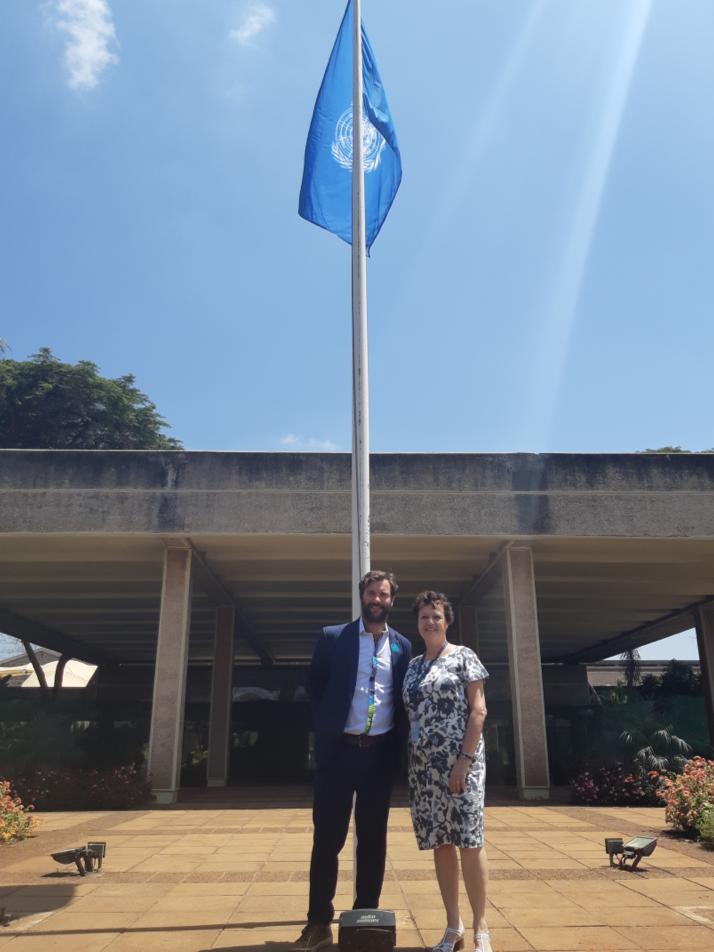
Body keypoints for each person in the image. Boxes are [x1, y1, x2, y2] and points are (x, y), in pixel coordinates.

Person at [292, 570, 412, 952]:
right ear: (362, 596)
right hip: (339, 754)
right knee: (327, 840)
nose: (377, 599)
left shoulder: (402, 646)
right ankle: (318, 923)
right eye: (371, 593)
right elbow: (315, 685)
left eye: (384, 594)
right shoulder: (333, 637)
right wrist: (328, 724)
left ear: (392, 600)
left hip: (379, 756)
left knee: (373, 841)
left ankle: (365, 919)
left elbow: (402, 698)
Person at [403, 591, 491, 952]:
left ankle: (481, 927)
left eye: (436, 616)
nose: (430, 622)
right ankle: (453, 925)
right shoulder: (413, 666)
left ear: (446, 621)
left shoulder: (464, 656)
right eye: (424, 616)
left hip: (462, 765)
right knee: (440, 843)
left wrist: (463, 761)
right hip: (424, 770)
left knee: (469, 840)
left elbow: (478, 711)